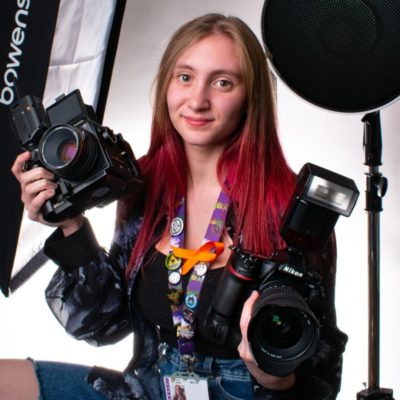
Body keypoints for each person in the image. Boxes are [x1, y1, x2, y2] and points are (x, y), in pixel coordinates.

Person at [2, 13, 347, 400]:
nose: (197, 101)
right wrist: (70, 225)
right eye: (185, 77)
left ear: (251, 97)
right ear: (167, 84)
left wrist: (272, 378)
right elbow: (104, 324)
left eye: (222, 82)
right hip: (151, 386)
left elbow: (322, 379)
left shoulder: (287, 209)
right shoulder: (144, 187)